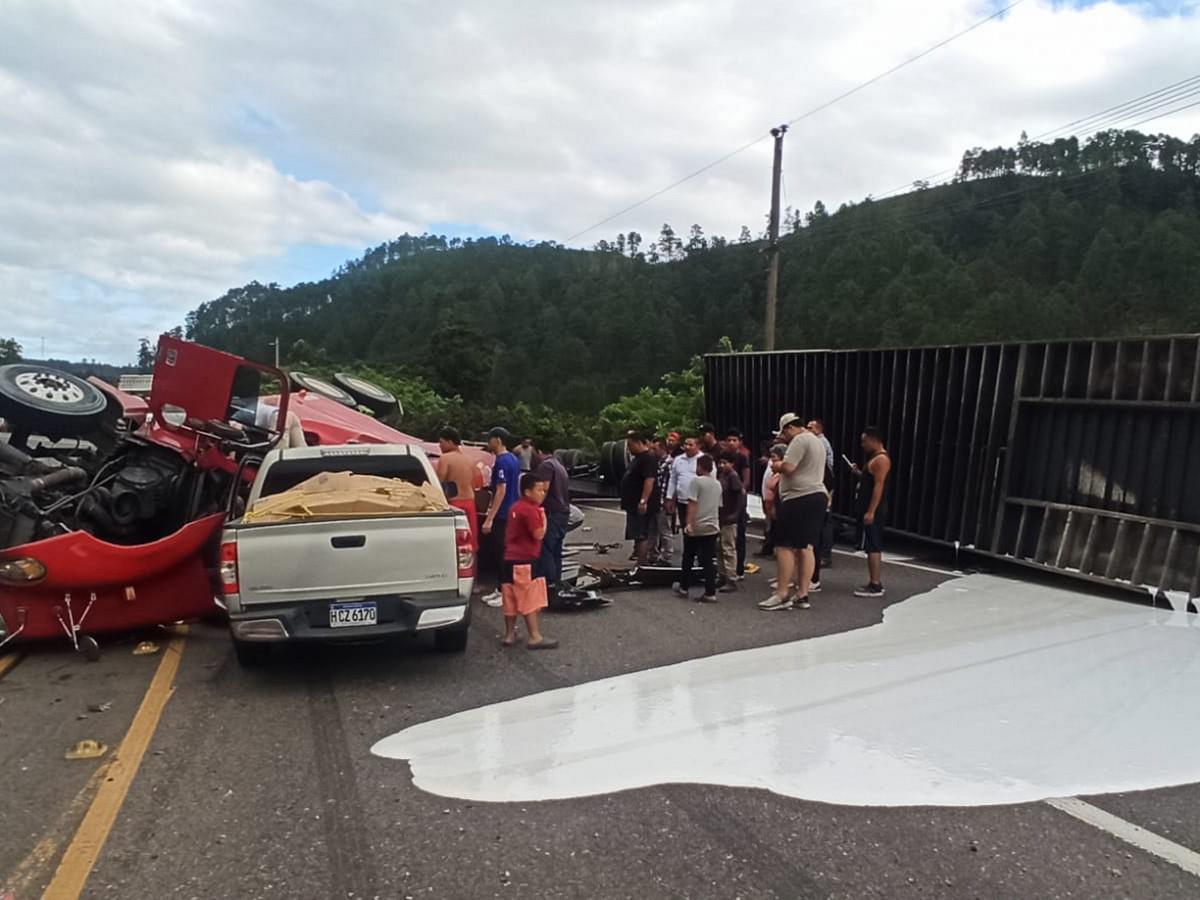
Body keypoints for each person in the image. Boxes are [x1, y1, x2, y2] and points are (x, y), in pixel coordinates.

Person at [760, 413, 826, 612]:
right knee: (806, 546)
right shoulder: (817, 442)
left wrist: (776, 465)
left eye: (783, 433)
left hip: (798, 497)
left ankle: (781, 593)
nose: (784, 437)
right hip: (817, 496)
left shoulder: (799, 440)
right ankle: (802, 594)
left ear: (789, 428)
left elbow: (788, 467)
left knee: (784, 545)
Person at [500, 472, 557, 649]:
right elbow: (538, 534)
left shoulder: (515, 507)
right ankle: (534, 636)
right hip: (525, 560)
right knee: (529, 597)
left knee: (509, 597)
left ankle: (509, 634)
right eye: (539, 490)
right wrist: (544, 518)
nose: (543, 494)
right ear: (527, 492)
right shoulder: (532, 510)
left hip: (509, 559)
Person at [481, 426, 522, 607]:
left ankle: (504, 591)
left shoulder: (502, 462)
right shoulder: (513, 459)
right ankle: (501, 589)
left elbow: (501, 489)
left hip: (503, 513)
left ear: (497, 440)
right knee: (506, 552)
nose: (488, 442)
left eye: (489, 439)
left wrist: (490, 517)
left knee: (502, 554)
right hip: (513, 511)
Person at [851, 427, 892, 598]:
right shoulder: (874, 459)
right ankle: (873, 581)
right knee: (869, 544)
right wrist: (858, 473)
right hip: (868, 506)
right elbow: (870, 481)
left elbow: (879, 486)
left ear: (874, 440)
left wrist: (871, 511)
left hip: (874, 509)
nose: (863, 445)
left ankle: (875, 584)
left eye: (864, 441)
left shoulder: (881, 459)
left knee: (873, 545)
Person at [674, 454, 720, 603]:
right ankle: (710, 591)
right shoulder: (717, 484)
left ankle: (684, 587)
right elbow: (718, 505)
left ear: (700, 466)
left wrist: (689, 523)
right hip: (712, 525)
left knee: (688, 556)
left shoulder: (696, 482)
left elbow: (692, 503)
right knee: (708, 559)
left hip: (697, 525)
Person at [436, 425, 479, 550]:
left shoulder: (445, 458)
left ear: (449, 442)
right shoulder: (470, 460)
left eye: (441, 442)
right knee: (470, 543)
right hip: (470, 502)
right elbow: (473, 484)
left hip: (455, 502)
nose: (440, 446)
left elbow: (440, 484)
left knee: (455, 545)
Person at [534, 446, 571, 591]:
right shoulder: (558, 465)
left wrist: (534, 505)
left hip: (552, 513)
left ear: (538, 450)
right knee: (556, 550)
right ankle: (557, 583)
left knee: (546, 550)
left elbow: (544, 488)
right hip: (562, 512)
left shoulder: (546, 466)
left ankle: (548, 586)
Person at [619, 431, 658, 566]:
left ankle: (642, 563)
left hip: (640, 504)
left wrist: (643, 500)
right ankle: (639, 559)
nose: (629, 448)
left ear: (639, 443)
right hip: (632, 504)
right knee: (637, 533)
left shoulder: (648, 458)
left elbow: (649, 480)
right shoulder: (637, 458)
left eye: (630, 445)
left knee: (642, 533)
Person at [807, 418, 836, 570]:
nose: (807, 430)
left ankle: (825, 555)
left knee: (825, 520)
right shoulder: (817, 442)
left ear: (819, 429)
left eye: (810, 428)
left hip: (824, 484)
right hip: (822, 482)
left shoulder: (820, 443)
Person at [716, 452, 746, 592]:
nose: (722, 465)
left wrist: (736, 514)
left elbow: (741, 495)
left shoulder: (733, 477)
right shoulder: (722, 475)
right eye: (720, 462)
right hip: (721, 516)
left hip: (729, 517)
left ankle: (731, 578)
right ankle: (722, 575)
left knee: (728, 548)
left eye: (725, 463)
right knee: (719, 548)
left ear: (732, 463)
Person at [723, 429, 752, 578]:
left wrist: (743, 489)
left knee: (739, 532)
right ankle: (725, 568)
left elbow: (746, 477)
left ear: (739, 442)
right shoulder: (722, 457)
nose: (731, 443)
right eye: (729, 440)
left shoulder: (742, 457)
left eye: (734, 440)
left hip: (737, 496)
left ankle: (739, 567)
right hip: (725, 499)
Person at [647, 436, 674, 565]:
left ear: (662, 448)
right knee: (652, 530)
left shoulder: (669, 463)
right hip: (653, 501)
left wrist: (667, 500)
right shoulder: (656, 462)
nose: (653, 451)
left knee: (664, 530)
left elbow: (669, 484)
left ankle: (666, 556)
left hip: (662, 501)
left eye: (655, 449)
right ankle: (652, 554)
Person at [666, 435, 701, 534]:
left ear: (698, 446)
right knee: (685, 527)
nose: (687, 447)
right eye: (686, 444)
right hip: (682, 500)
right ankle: (688, 549)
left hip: (698, 502)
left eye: (691, 445)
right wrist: (669, 497)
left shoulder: (703, 459)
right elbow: (673, 479)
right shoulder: (678, 459)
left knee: (697, 528)